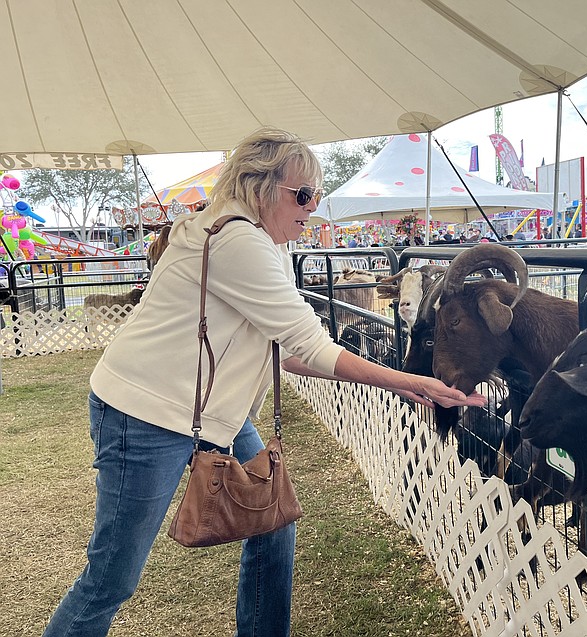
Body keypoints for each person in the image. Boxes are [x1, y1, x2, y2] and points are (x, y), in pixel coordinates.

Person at [42, 128, 483, 637]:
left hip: (208, 413)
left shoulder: (264, 243)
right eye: (303, 195)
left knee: (274, 520)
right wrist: (407, 382)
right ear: (259, 185)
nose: (312, 207)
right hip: (144, 412)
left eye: (314, 196)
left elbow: (288, 350)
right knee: (111, 580)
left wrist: (401, 384)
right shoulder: (238, 240)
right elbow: (309, 345)